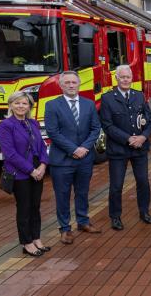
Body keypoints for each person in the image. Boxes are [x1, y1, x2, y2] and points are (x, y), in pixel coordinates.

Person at [45, 71, 102, 244]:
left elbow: (95, 128)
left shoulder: (89, 104)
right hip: (62, 161)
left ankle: (83, 222)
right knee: (62, 195)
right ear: (61, 85)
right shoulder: (52, 105)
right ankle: (65, 228)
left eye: (74, 82)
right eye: (67, 83)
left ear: (79, 84)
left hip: (84, 158)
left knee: (82, 192)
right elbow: (53, 132)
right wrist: (73, 149)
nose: (71, 85)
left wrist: (84, 147)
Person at [100, 65, 151, 231]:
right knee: (117, 185)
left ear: (132, 78)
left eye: (128, 77)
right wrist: (128, 138)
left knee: (143, 182)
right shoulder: (108, 98)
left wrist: (143, 137)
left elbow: (149, 120)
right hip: (118, 149)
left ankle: (144, 211)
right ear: (116, 78)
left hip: (139, 148)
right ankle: (115, 216)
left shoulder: (139, 96)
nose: (125, 80)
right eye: (122, 77)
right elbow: (107, 125)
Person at [0, 91, 50, 256]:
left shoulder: (32, 123)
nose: (21, 106)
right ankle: (27, 242)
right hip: (20, 172)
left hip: (37, 169)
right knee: (24, 208)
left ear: (29, 106)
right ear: (11, 105)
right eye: (17, 103)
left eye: (24, 103)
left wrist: (43, 165)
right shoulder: (5, 125)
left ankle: (36, 238)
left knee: (36, 206)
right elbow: (10, 153)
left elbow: (41, 146)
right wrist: (31, 170)